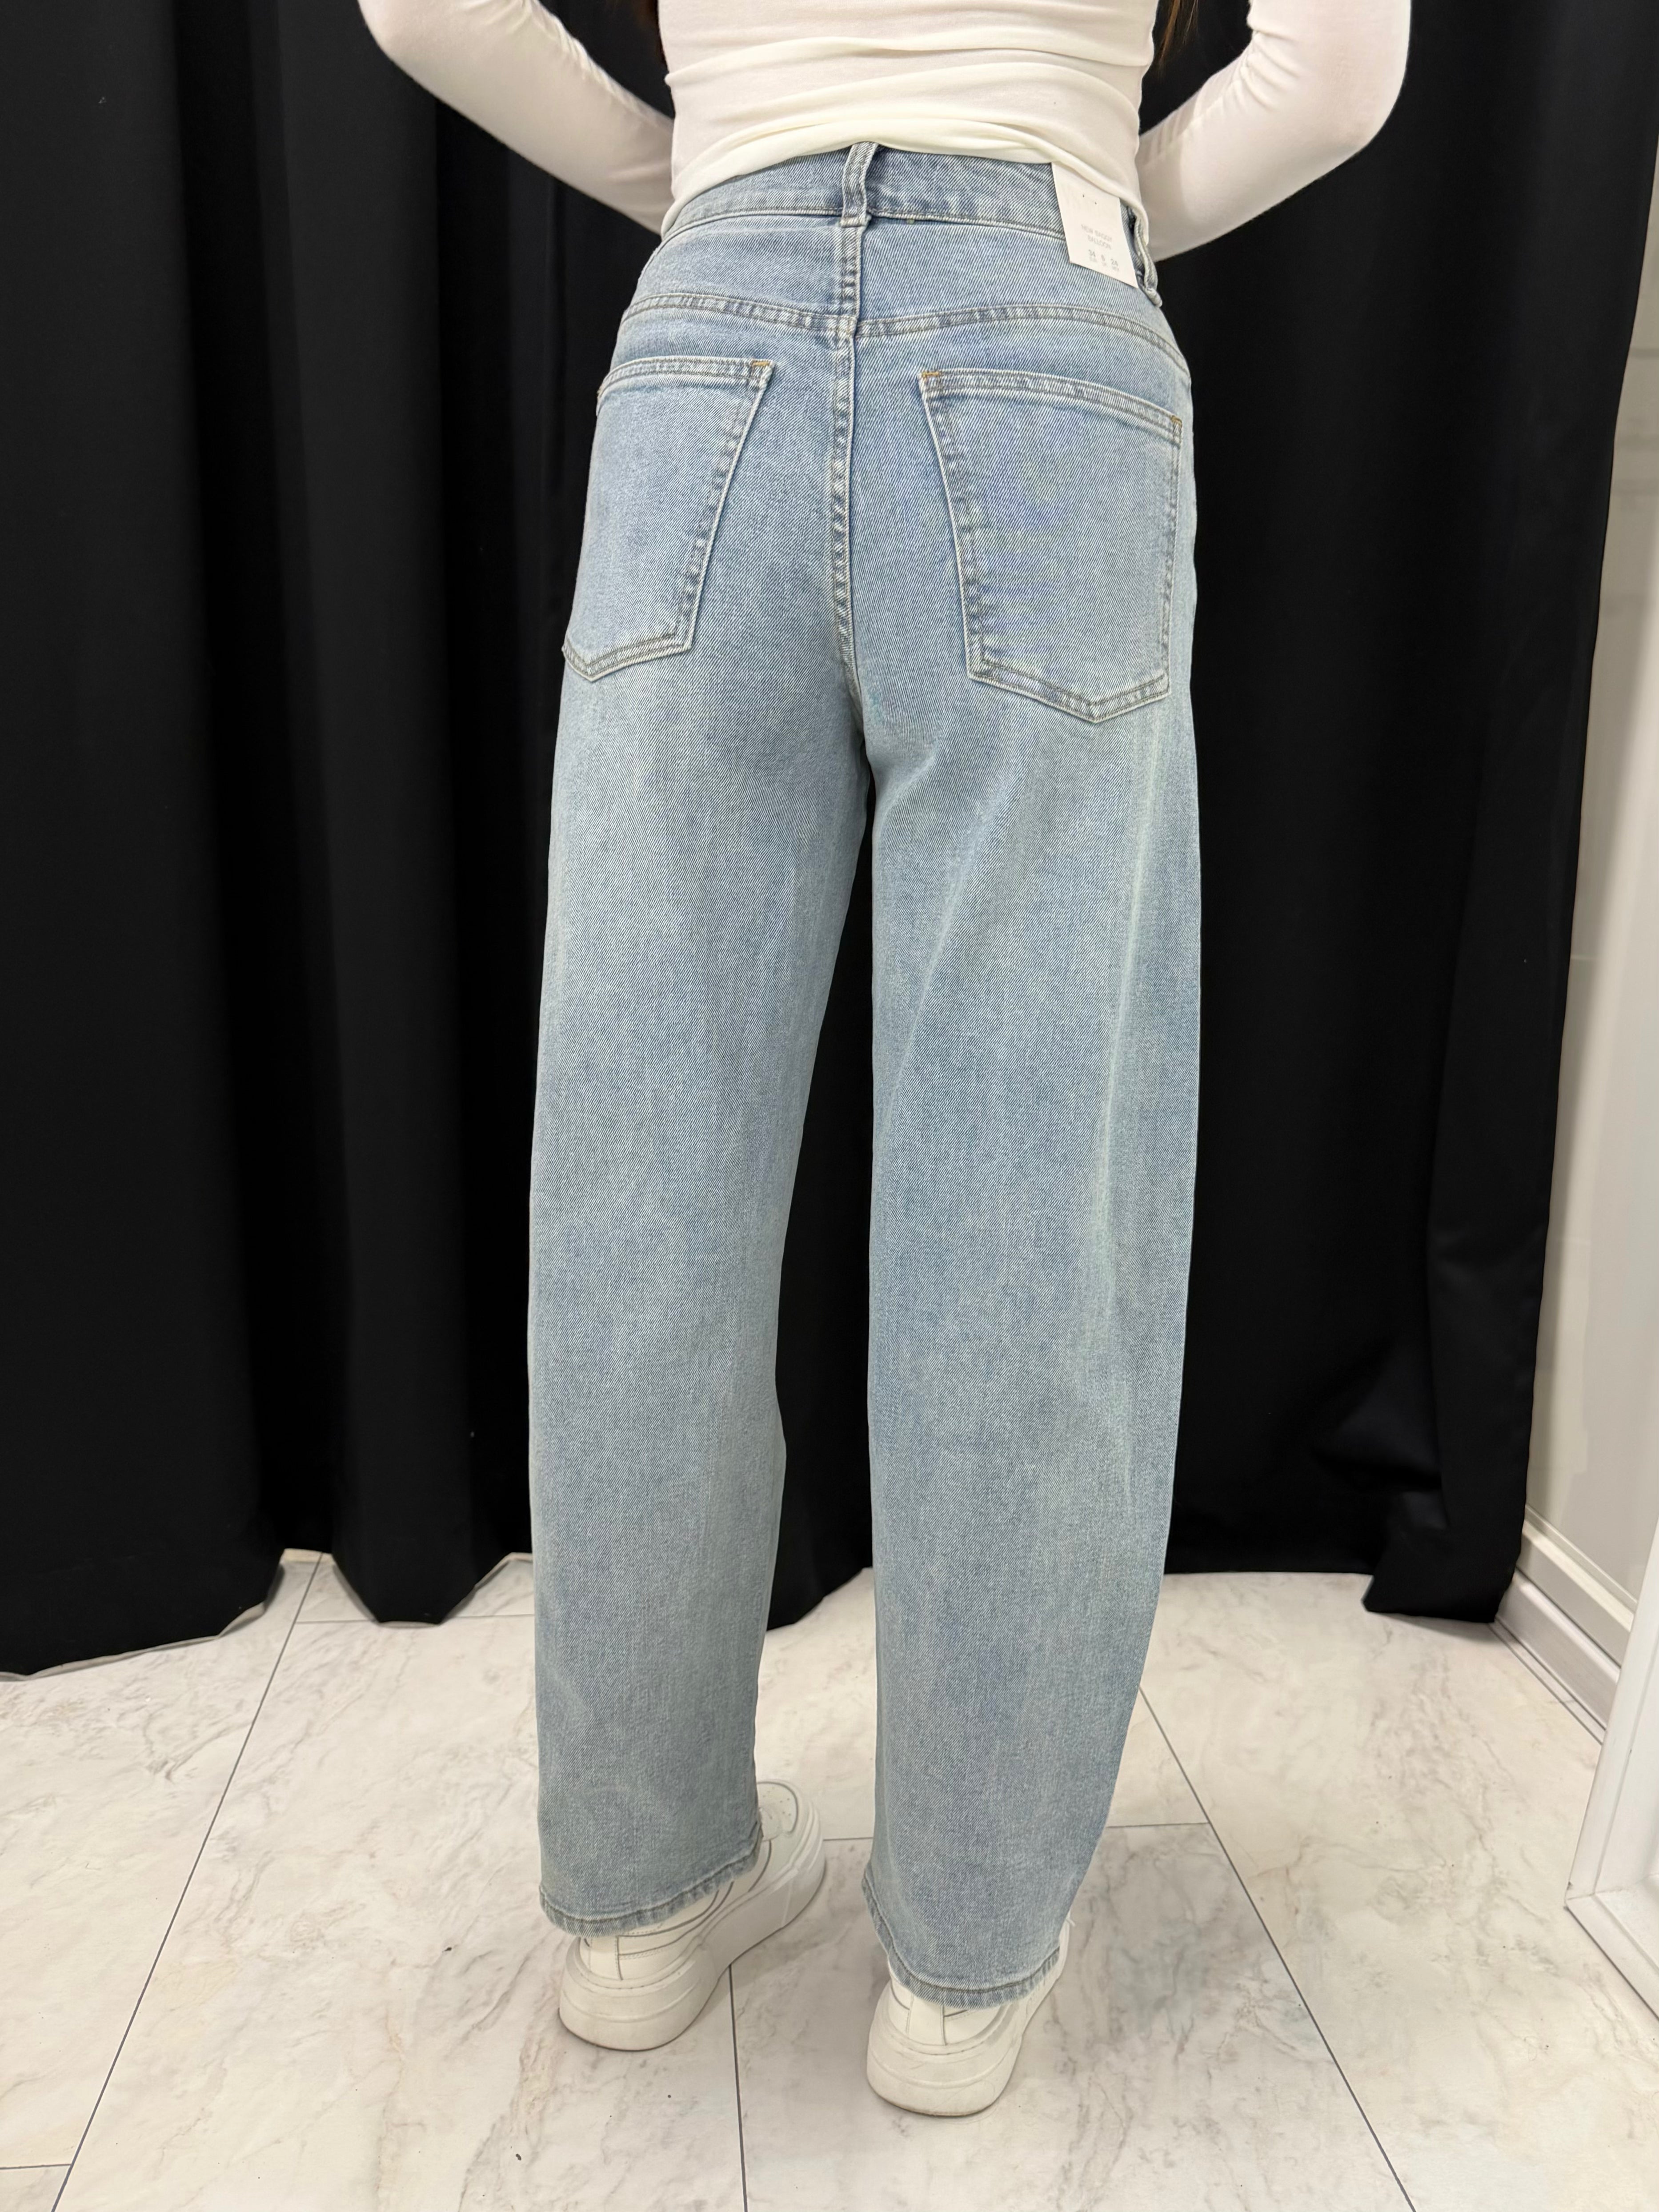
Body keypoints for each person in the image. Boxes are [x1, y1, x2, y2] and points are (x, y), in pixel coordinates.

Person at [358, 0, 1409, 2118]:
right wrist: (1072, 206)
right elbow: (1341, 68)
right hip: (1051, 334)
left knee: (642, 1189)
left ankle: (640, 1910)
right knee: (1028, 1202)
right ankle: (959, 1967)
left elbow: (415, 2)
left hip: (711, 330)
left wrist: (707, 175)